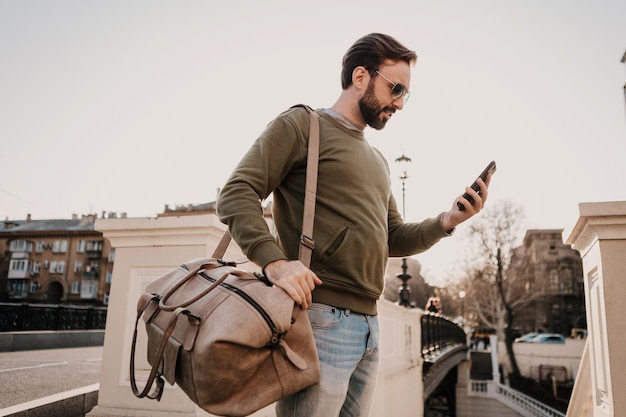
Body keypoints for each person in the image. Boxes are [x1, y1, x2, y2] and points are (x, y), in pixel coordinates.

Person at [217, 33, 492, 417]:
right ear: (360, 76)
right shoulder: (302, 125)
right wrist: (275, 263)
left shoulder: (379, 161)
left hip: (370, 327)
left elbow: (392, 236)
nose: (400, 103)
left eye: (406, 95)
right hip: (318, 320)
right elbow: (236, 193)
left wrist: (447, 220)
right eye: (396, 89)